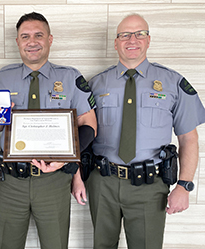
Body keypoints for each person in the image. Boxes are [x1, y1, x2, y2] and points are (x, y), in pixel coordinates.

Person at [87, 13, 205, 249]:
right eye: (125, 35)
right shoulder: (95, 84)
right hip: (103, 182)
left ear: (148, 40)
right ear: (116, 42)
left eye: (140, 34)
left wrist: (184, 185)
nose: (133, 39)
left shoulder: (172, 82)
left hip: (150, 186)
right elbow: (83, 134)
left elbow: (188, 138)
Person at [0, 12, 97, 249]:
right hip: (11, 182)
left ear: (50, 39)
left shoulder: (70, 77)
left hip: (54, 181)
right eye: (25, 36)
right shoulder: (4, 77)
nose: (32, 41)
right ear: (17, 41)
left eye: (38, 35)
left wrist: (65, 163)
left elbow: (89, 126)